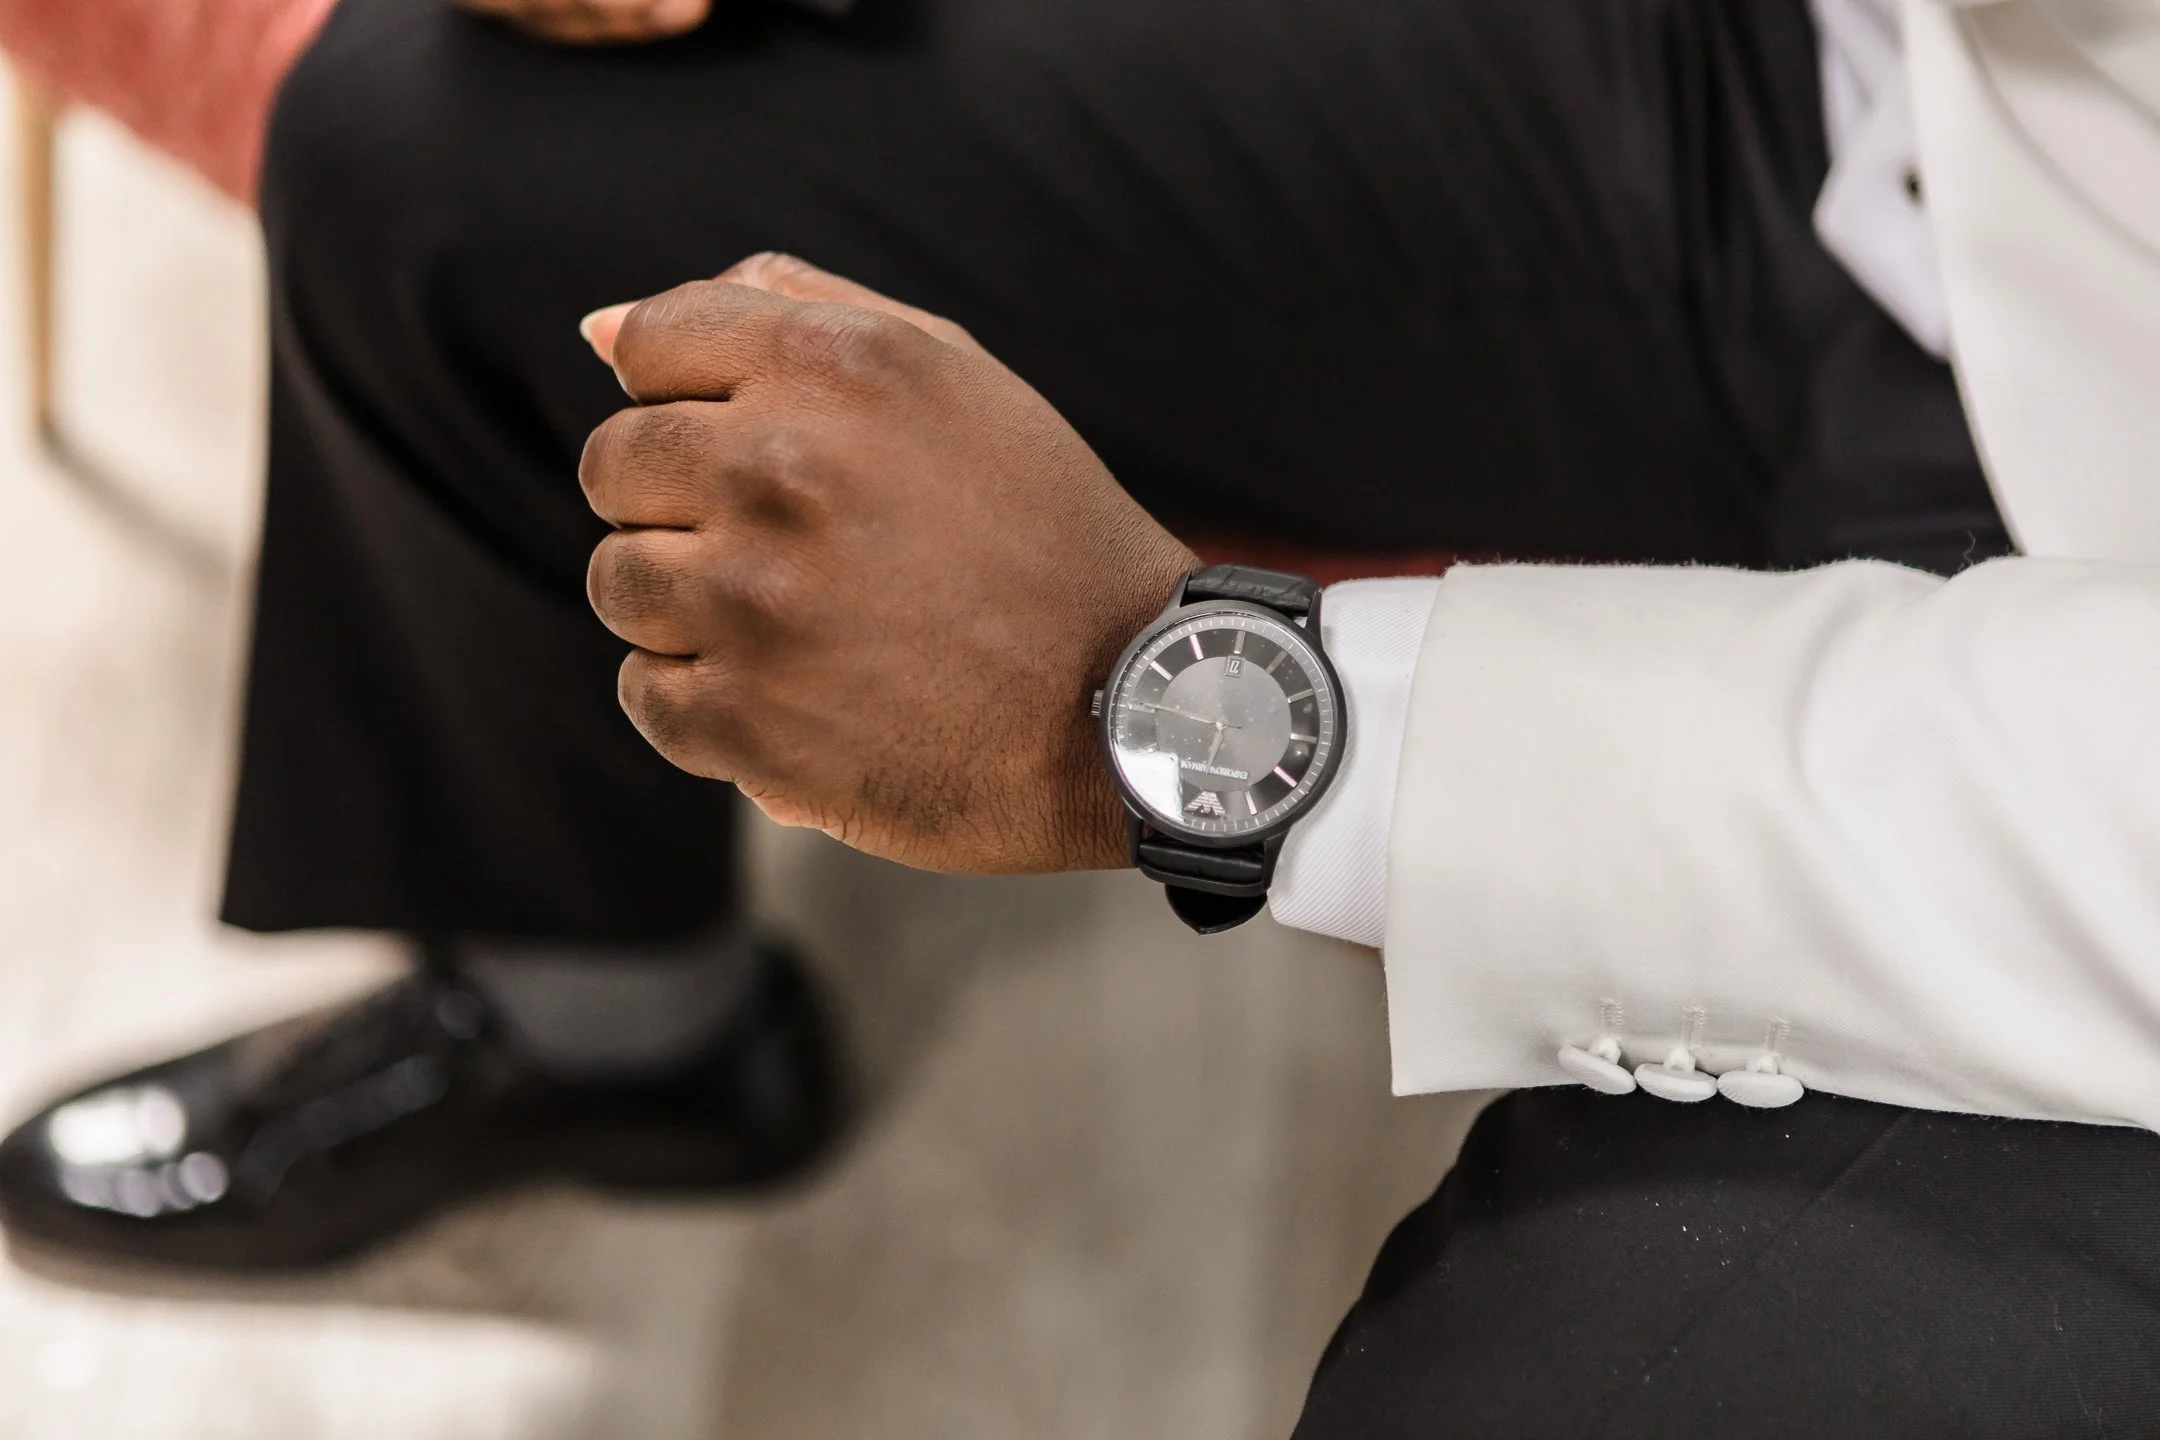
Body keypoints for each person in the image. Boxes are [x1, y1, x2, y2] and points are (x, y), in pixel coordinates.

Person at [0, 0, 2116, 1421]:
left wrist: (1197, 715)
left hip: (2094, 648)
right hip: (1861, 83)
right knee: (434, 150)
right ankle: (614, 1037)